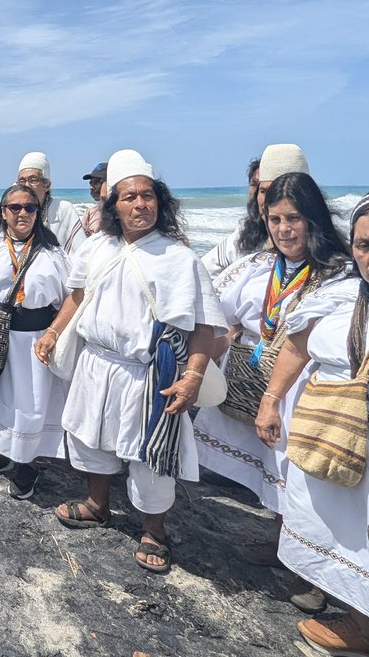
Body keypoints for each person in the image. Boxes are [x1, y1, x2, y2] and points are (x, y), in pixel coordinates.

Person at [34, 150, 225, 573]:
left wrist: (193, 376)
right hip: (95, 363)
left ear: (160, 201)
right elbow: (78, 296)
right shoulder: (96, 247)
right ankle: (97, 504)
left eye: (148, 195)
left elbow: (202, 325)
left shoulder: (180, 258)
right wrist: (53, 332)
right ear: (113, 207)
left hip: (148, 374)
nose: (141, 204)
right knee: (88, 436)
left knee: (149, 457)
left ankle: (155, 530)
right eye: (130, 197)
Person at [193, 172, 351, 606]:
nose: (284, 229)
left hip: (305, 391)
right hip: (254, 380)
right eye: (275, 219)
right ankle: (284, 549)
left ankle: (314, 576)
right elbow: (221, 313)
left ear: (313, 219)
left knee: (305, 482)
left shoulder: (338, 274)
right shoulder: (262, 265)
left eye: (293, 219)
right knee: (275, 475)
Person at [256, 189, 369, 656]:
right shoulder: (339, 296)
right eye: (363, 245)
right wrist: (271, 400)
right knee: (343, 534)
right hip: (329, 431)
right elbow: (296, 348)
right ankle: (365, 627)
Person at [0, 183, 70, 499]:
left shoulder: (52, 251)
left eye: (29, 207)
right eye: (14, 207)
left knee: (28, 405)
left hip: (33, 342)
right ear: (3, 212)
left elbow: (73, 298)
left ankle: (27, 465)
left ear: (38, 212)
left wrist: (53, 333)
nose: (22, 213)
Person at [202, 155, 266, 277]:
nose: (257, 193)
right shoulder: (244, 232)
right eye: (254, 184)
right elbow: (205, 269)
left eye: (264, 188)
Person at [16, 152, 83, 253]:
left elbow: (81, 253)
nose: (27, 186)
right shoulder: (13, 210)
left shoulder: (62, 210)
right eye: (22, 181)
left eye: (33, 180)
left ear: (46, 185)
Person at [81, 162, 107, 237]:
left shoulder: (121, 213)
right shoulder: (90, 213)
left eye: (96, 182)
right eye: (90, 183)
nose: (91, 187)